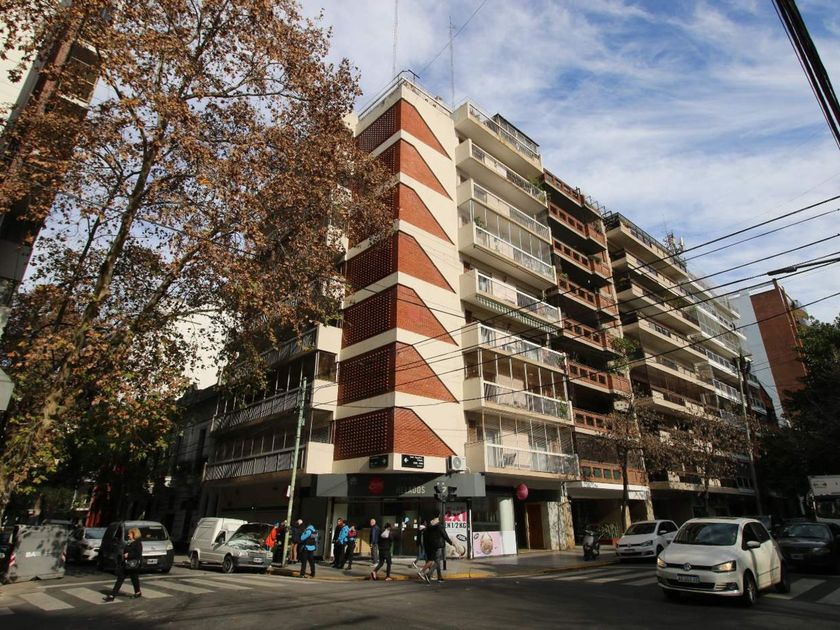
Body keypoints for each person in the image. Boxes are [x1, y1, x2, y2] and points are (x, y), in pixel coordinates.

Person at [104, 527, 143, 600]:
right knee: (122, 579)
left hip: (133, 564)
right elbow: (125, 551)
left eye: (130, 533)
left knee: (134, 579)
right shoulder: (129, 542)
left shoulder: (138, 543)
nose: (128, 535)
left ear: (134, 534)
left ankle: (137, 592)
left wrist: (128, 555)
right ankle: (112, 595)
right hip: (126, 564)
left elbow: (138, 554)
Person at [417, 517, 453, 584]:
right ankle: (428, 574)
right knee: (436, 562)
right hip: (438, 546)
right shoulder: (439, 527)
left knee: (436, 561)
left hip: (432, 546)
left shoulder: (431, 528)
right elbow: (445, 535)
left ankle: (438, 577)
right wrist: (450, 542)